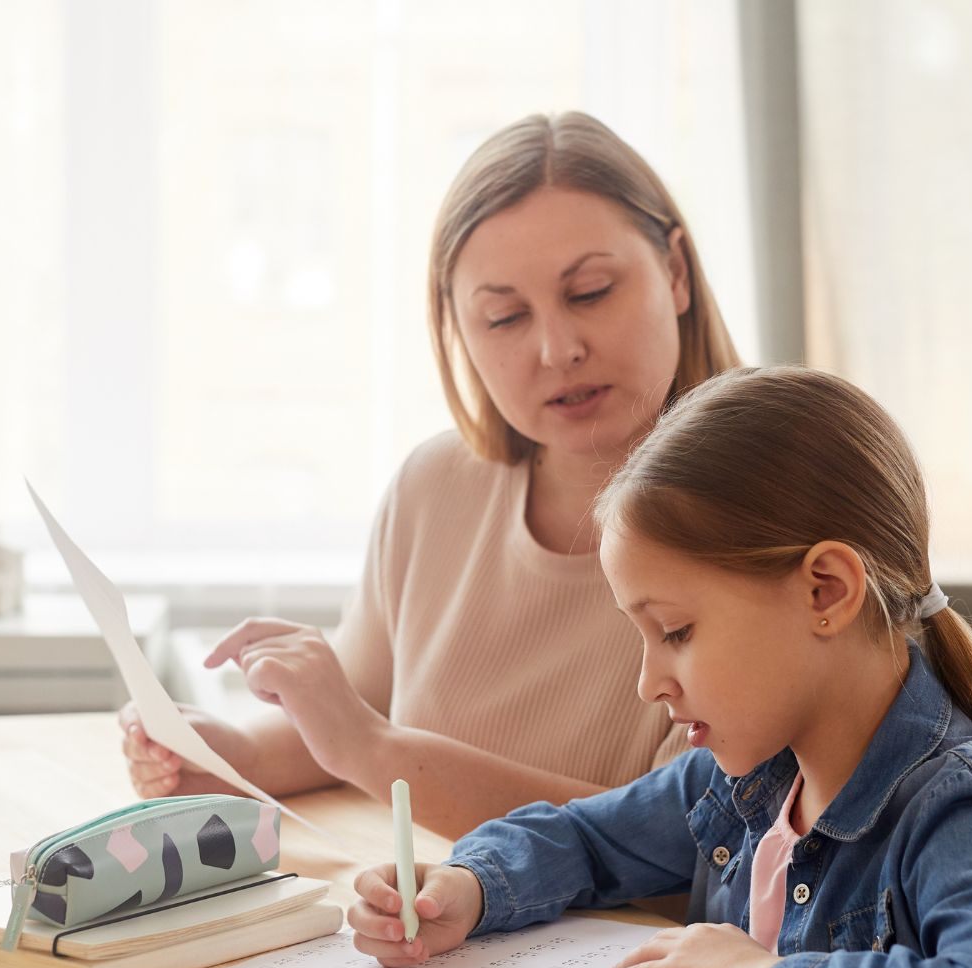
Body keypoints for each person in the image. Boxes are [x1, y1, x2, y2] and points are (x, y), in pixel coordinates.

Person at [347, 367, 972, 968]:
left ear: (826, 590)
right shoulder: (743, 780)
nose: (648, 683)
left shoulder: (968, 810)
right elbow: (588, 841)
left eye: (676, 631)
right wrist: (467, 889)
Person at [120, 111, 740, 837]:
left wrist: (370, 747)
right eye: (504, 317)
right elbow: (357, 714)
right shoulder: (437, 486)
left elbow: (683, 841)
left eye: (591, 292)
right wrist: (236, 756)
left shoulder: (758, 520)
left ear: (675, 272)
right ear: (457, 328)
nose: (557, 349)